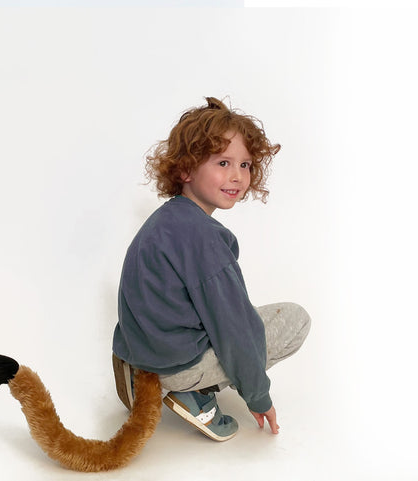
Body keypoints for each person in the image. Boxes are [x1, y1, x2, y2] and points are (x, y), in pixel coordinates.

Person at [110, 97, 310, 442]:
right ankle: (191, 392)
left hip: (137, 353)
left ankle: (151, 379)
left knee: (233, 318)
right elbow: (235, 328)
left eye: (245, 165)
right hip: (175, 367)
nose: (237, 176)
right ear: (185, 169)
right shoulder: (204, 239)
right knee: (295, 319)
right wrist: (258, 396)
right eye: (223, 162)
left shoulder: (166, 221)